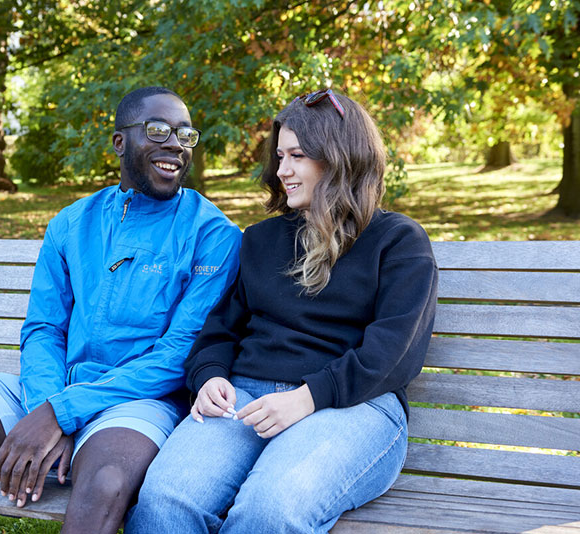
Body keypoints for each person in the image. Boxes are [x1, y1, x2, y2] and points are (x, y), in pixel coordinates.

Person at [0, 86, 242, 534]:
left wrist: (62, 413)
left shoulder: (214, 236)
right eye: (158, 130)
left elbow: (178, 353)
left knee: (105, 482)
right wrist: (45, 407)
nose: (175, 145)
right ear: (119, 142)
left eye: (186, 135)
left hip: (138, 403)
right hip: (49, 388)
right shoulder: (72, 223)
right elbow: (44, 329)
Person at [126, 89, 439, 534]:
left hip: (352, 405)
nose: (282, 170)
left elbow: (394, 354)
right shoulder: (261, 240)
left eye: (297, 156)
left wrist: (308, 398)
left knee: (267, 512)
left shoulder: (398, 242)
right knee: (164, 501)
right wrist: (210, 375)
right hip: (246, 400)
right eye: (280, 156)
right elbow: (220, 330)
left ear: (339, 158)